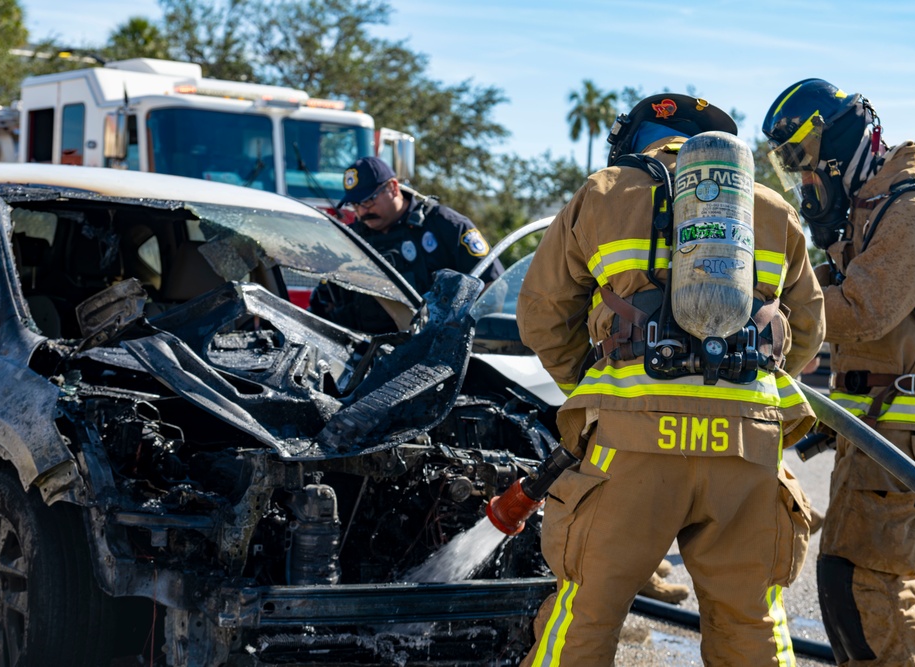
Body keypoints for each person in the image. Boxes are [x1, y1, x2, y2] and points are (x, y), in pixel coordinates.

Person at [517, 93, 824, 666]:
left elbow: (541, 315)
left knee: (586, 614)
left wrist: (598, 386)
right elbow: (806, 331)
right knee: (752, 623)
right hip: (747, 448)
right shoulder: (771, 207)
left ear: (635, 141)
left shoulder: (604, 191)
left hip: (630, 447)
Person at [763, 78, 915, 666]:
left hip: (907, 435)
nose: (803, 181)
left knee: (872, 587)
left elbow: (862, 312)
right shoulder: (874, 212)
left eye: (804, 160)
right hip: (878, 431)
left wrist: (771, 305)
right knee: (848, 587)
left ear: (839, 142)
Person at [310, 156, 503, 333]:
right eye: (355, 205)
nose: (362, 212)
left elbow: (493, 287)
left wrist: (457, 333)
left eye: (368, 201)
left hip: (434, 354)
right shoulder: (350, 238)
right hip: (362, 355)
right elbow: (327, 300)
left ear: (393, 187)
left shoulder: (446, 226)